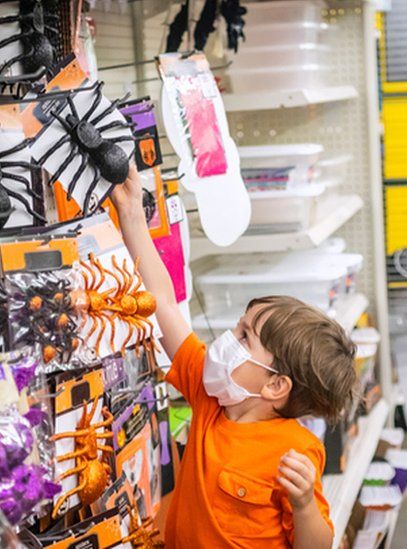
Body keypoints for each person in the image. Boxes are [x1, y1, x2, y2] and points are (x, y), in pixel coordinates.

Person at [111, 165, 358, 548]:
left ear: (276, 385)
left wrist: (305, 504)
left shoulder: (294, 450)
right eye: (239, 326)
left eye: (245, 337)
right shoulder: (210, 397)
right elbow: (161, 301)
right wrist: (131, 214)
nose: (229, 338)